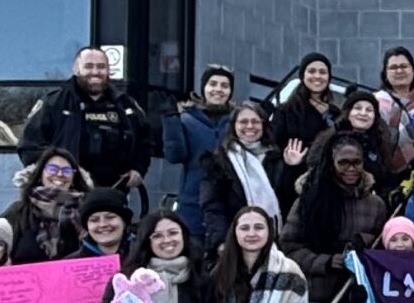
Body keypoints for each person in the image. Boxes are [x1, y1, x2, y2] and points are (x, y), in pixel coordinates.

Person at [280, 130, 385, 303]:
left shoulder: (375, 204)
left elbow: (383, 249)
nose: (351, 169)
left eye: (357, 163)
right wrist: (325, 262)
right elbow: (288, 246)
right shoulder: (308, 201)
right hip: (314, 292)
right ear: (331, 163)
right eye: (344, 163)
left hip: (348, 297)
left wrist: (363, 245)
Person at [16, 46, 152, 189]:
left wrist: (138, 169)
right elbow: (29, 146)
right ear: (76, 69)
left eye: (101, 67)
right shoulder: (54, 103)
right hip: (65, 192)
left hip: (112, 193)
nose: (95, 72)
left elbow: (145, 141)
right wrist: (55, 173)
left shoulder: (126, 105)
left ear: (108, 70)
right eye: (88, 66)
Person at [160, 65, 235, 245]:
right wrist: (170, 120)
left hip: (229, 202)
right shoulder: (187, 119)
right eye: (213, 84)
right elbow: (174, 156)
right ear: (204, 88)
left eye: (225, 86)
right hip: (193, 203)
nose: (218, 89)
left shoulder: (238, 121)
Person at [267, 54, 338, 211]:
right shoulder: (286, 111)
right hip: (292, 184)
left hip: (328, 185)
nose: (317, 76)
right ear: (302, 76)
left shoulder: (336, 114)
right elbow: (271, 147)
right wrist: (288, 161)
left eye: (322, 72)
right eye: (311, 71)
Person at [200, 99, 280, 238]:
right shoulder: (219, 161)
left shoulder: (276, 158)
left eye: (255, 121)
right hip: (233, 240)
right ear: (233, 126)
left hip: (275, 240)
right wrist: (221, 241)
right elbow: (213, 207)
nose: (250, 126)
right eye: (243, 122)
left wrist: (292, 167)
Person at [3, 148, 87, 263]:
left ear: (73, 178)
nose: (59, 174)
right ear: (40, 174)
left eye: (66, 171)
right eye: (52, 169)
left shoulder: (86, 212)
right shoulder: (19, 211)